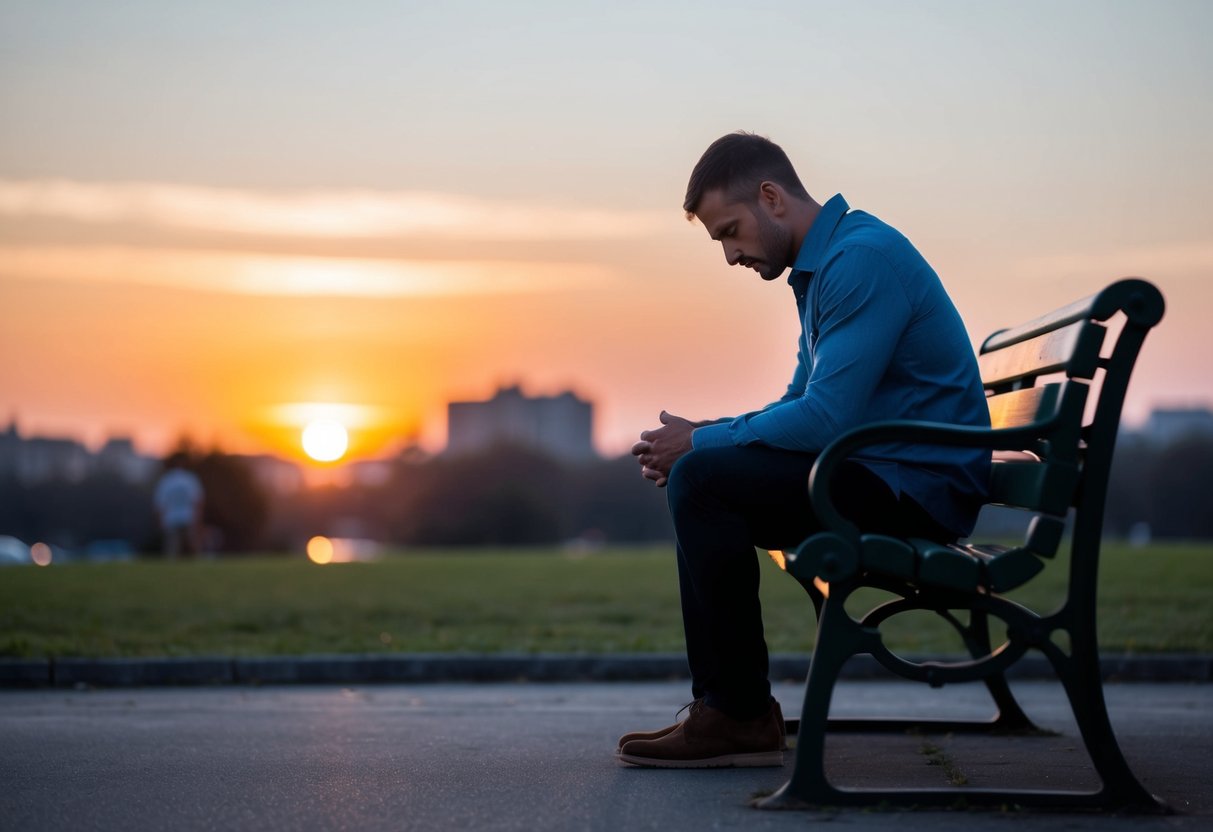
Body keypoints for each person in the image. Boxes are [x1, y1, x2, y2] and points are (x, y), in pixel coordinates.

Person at [619, 132, 991, 768]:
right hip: (886, 472)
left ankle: (735, 715)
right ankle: (729, 709)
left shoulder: (859, 261)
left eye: (731, 232)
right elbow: (800, 404)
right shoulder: (824, 270)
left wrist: (702, 443)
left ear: (772, 197)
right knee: (702, 475)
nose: (732, 255)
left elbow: (823, 419)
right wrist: (706, 433)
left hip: (917, 490)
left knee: (703, 480)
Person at [154, 452, 205, 559]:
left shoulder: (167, 480)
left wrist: (160, 521)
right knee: (192, 546)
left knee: (172, 548)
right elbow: (197, 501)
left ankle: (170, 570)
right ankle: (198, 566)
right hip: (188, 517)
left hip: (171, 518)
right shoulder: (190, 479)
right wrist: (198, 518)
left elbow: (160, 503)